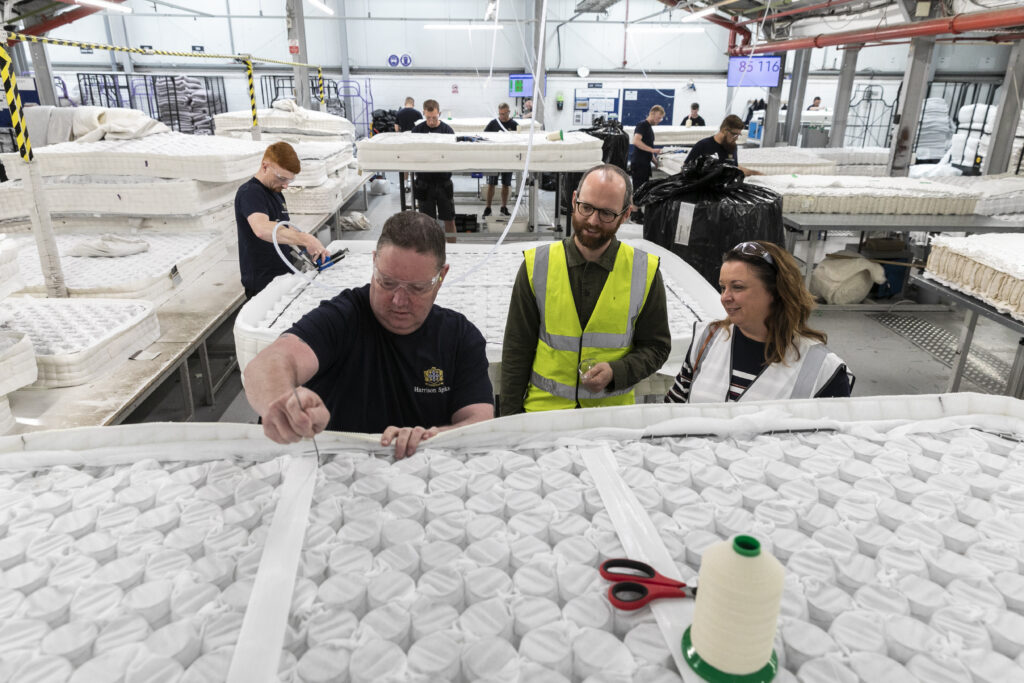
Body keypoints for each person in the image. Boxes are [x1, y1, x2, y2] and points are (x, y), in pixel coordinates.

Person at [244, 211, 495, 458]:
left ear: (441, 277)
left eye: (417, 288)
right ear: (374, 262)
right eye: (387, 282)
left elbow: (478, 422)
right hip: (340, 476)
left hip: (426, 481)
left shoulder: (459, 338)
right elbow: (270, 363)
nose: (398, 300)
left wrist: (430, 439)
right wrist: (283, 400)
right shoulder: (343, 318)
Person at [500, 164, 671, 414]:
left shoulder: (644, 272)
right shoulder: (536, 266)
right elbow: (517, 349)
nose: (592, 221)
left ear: (625, 215)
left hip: (610, 418)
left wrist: (617, 372)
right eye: (586, 207)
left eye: (606, 214)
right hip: (545, 415)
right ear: (574, 200)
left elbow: (657, 347)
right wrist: (509, 421)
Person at [665, 241, 852, 404]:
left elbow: (828, 442)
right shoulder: (707, 338)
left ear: (776, 291)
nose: (725, 297)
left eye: (737, 287)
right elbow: (673, 408)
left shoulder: (822, 368)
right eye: (723, 287)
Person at [235, 141, 328, 299]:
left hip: (282, 277)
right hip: (262, 284)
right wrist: (305, 239)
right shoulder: (250, 193)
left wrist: (310, 247)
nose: (285, 185)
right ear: (265, 166)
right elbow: (262, 229)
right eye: (282, 178)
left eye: (289, 181)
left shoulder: (275, 191)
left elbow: (283, 226)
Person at [411, 99, 457, 240]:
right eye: (428, 117)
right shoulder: (417, 131)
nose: (431, 121)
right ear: (423, 113)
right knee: (426, 223)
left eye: (434, 117)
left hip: (443, 182)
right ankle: (429, 253)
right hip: (424, 183)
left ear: (439, 114)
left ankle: (454, 250)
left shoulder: (447, 131)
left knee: (449, 219)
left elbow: (453, 154)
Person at [684, 114, 761, 176]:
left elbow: (735, 167)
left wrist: (754, 173)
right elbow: (685, 169)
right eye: (734, 135)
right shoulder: (703, 145)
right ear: (724, 130)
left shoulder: (732, 147)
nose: (736, 138)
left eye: (738, 135)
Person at [483, 103, 519, 218]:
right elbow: (483, 136)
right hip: (495, 159)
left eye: (504, 114)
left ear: (509, 112)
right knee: (491, 184)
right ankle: (488, 207)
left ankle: (504, 207)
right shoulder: (494, 123)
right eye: (500, 114)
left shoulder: (514, 125)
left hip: (508, 159)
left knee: (506, 184)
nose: (502, 116)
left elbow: (519, 140)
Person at [630, 105, 665, 221]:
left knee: (642, 189)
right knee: (638, 188)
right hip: (639, 162)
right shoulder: (642, 125)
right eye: (658, 118)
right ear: (653, 113)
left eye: (661, 119)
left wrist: (655, 161)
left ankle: (638, 211)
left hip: (644, 162)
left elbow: (648, 148)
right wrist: (652, 150)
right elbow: (636, 141)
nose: (659, 121)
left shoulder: (649, 128)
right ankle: (634, 214)